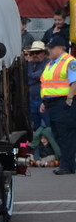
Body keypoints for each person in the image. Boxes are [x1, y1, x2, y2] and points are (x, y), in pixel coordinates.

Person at [38, 35, 76, 174]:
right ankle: (68, 164)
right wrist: (44, 101)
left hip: (64, 103)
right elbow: (47, 84)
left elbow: (74, 82)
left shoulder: (70, 61)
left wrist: (70, 98)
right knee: (58, 134)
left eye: (52, 48)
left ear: (61, 48)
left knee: (66, 135)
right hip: (52, 104)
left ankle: (66, 166)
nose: (50, 51)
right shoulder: (50, 64)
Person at [25, 41, 49, 130]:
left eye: (38, 52)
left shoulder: (49, 63)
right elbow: (27, 78)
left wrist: (31, 76)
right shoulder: (30, 63)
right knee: (35, 127)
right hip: (32, 99)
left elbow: (34, 75)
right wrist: (34, 77)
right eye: (33, 53)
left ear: (44, 53)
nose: (35, 55)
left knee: (48, 125)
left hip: (44, 100)